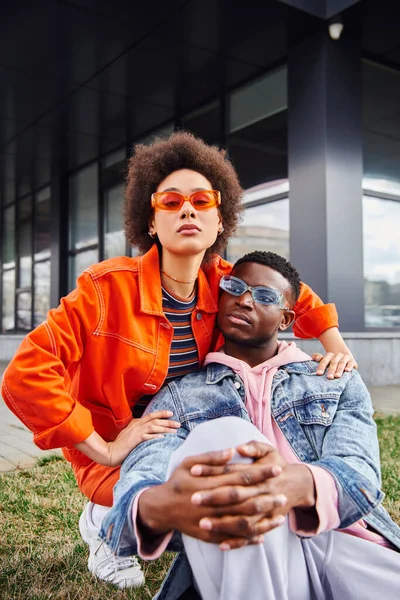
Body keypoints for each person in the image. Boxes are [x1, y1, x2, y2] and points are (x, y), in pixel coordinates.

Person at [1, 133, 357, 589]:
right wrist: (102, 448)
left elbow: (294, 294)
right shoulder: (103, 290)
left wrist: (336, 346)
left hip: (189, 429)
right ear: (151, 222)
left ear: (218, 219)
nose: (187, 209)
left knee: (228, 493)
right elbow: (25, 375)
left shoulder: (225, 282)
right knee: (160, 503)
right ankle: (103, 522)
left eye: (201, 200)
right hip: (122, 450)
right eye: (170, 201)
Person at [100, 250, 400, 600]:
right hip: (247, 548)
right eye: (235, 286)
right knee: (225, 436)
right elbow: (136, 488)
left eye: (264, 296)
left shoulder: (334, 380)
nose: (244, 300)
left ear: (286, 319)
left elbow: (361, 477)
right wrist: (157, 505)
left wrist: (293, 484)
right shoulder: (180, 396)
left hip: (345, 543)